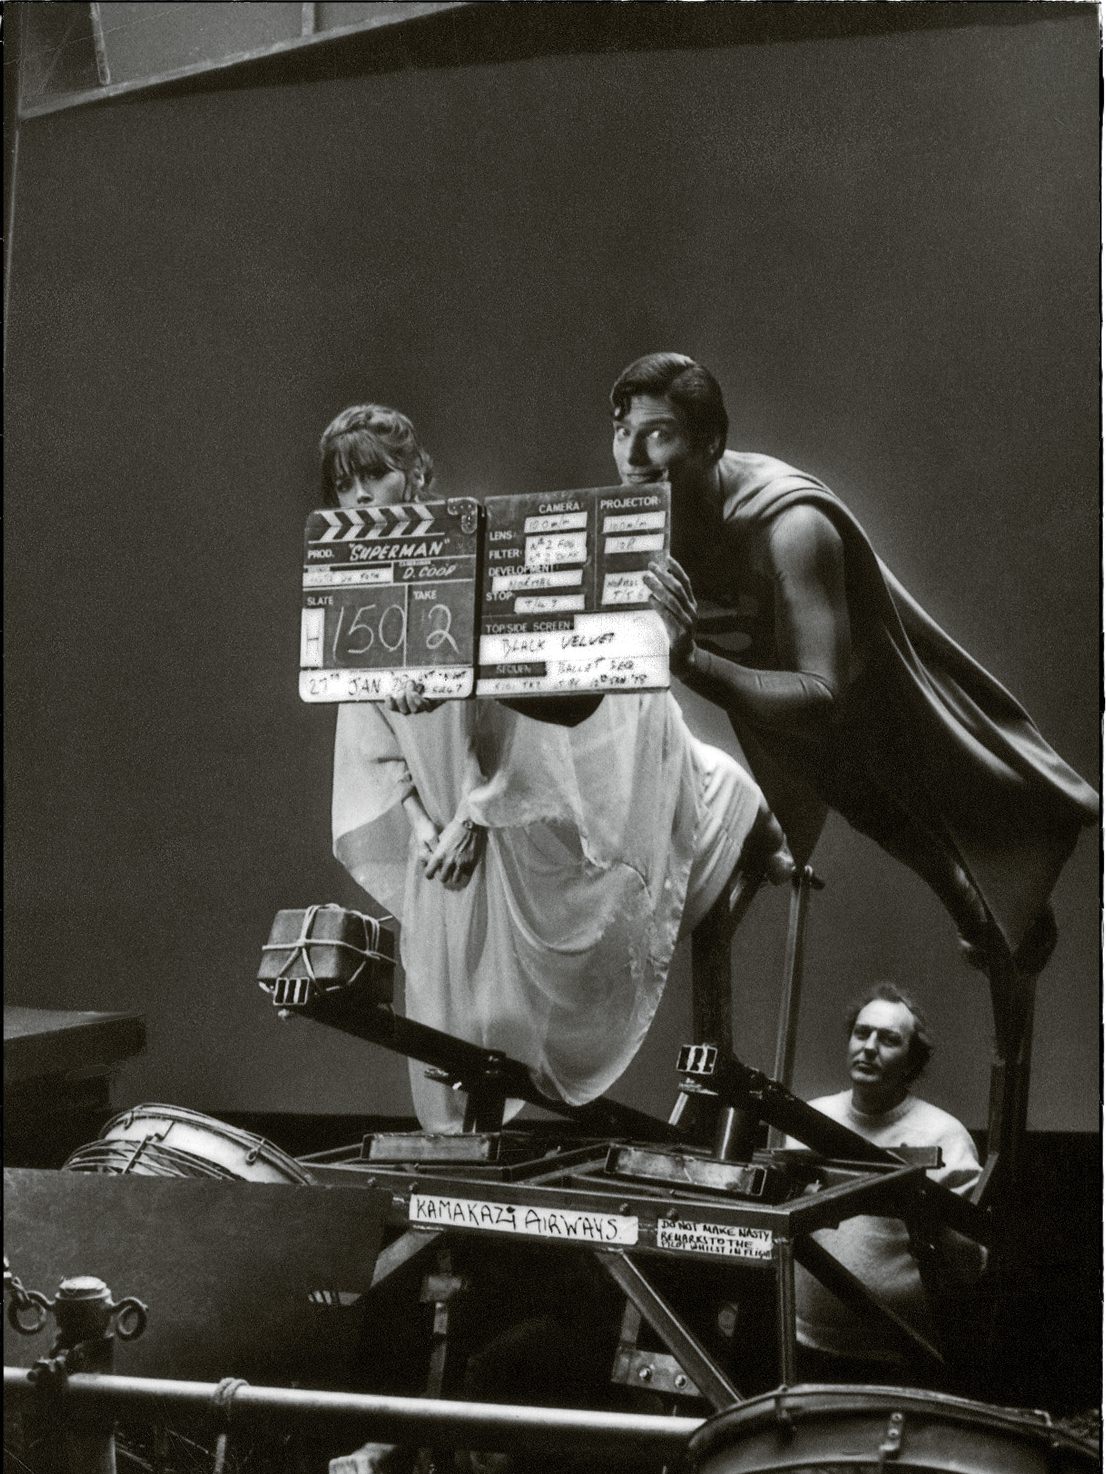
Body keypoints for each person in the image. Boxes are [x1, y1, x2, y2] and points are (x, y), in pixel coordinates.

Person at [320, 404, 794, 1131]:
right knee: (455, 1001)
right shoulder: (359, 587)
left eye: (375, 476)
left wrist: (479, 815)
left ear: (415, 474)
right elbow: (368, 730)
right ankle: (469, 1158)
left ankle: (718, 806)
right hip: (443, 808)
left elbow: (533, 711)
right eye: (343, 485)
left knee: (539, 978)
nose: (359, 498)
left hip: (516, 788)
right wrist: (420, 823)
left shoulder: (474, 551)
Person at [616, 352, 1097, 1004]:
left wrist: (691, 661)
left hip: (861, 707)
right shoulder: (638, 521)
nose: (633, 455)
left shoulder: (793, 527)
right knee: (740, 895)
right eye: (622, 430)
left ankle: (1000, 930)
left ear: (710, 443)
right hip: (779, 725)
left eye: (657, 433)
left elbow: (822, 695)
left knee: (967, 865)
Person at [787, 984, 986, 1381]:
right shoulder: (807, 1120)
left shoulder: (945, 1136)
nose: (869, 1047)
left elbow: (969, 1263)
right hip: (807, 1345)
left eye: (889, 1040)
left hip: (904, 1355)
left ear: (912, 1062)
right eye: (862, 1033)